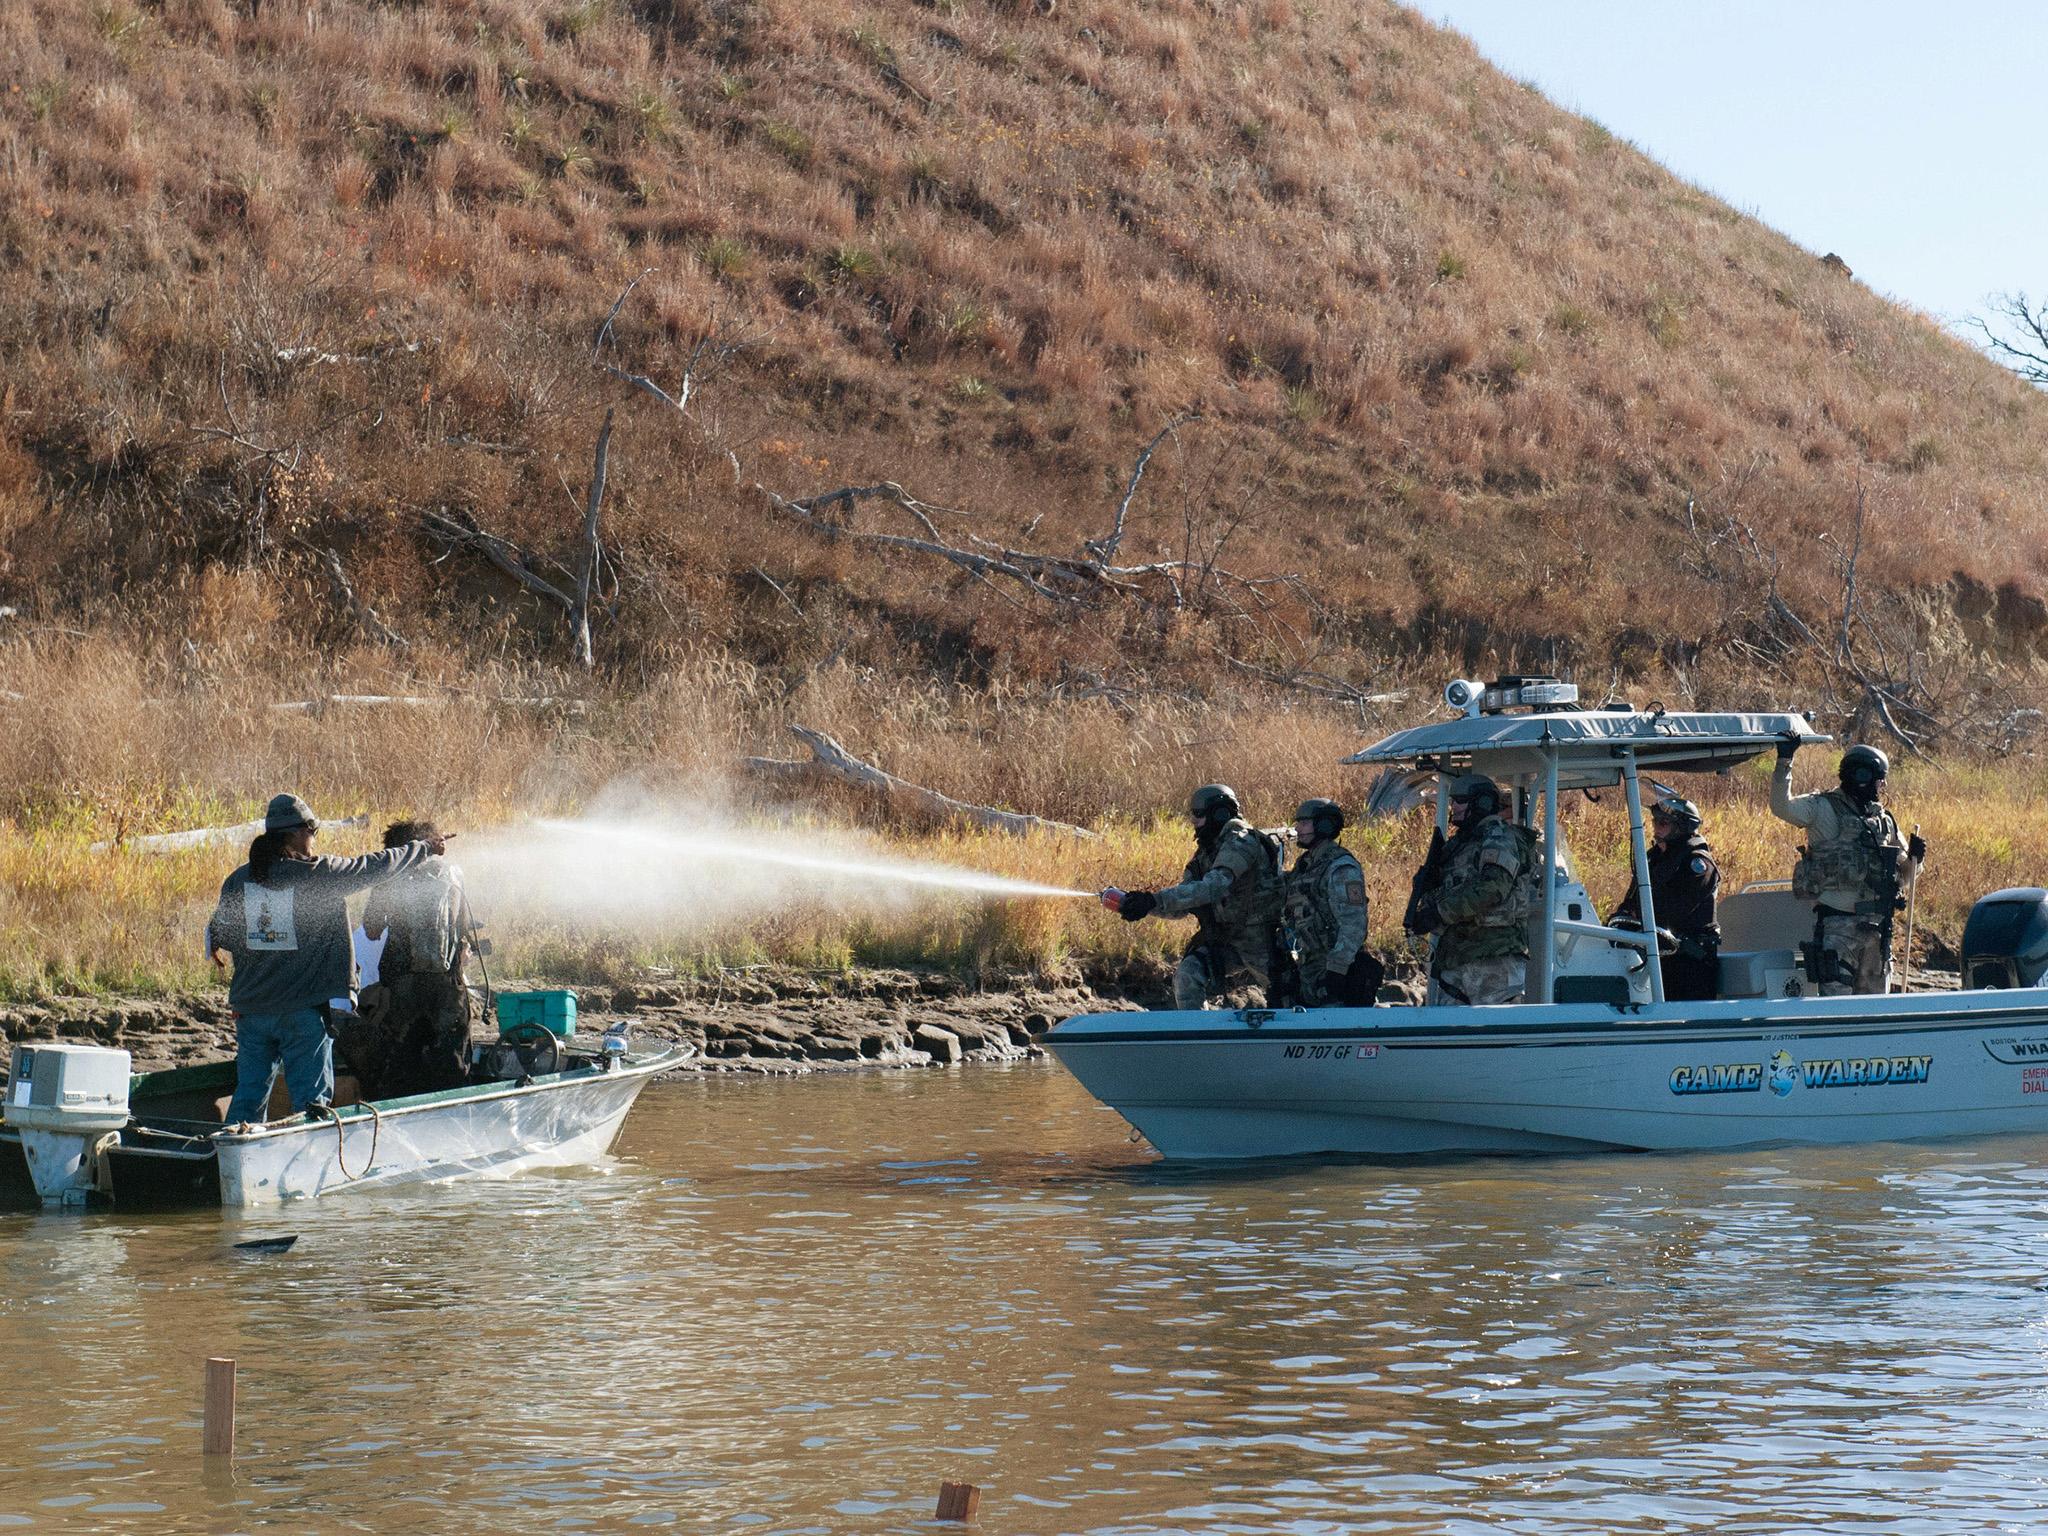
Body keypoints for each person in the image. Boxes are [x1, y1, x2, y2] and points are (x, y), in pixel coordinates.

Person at [207, 794, 449, 1123]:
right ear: (297, 833)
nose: (314, 840)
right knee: (311, 1106)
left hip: (251, 1013)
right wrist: (423, 848)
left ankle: (237, 1155)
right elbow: (379, 865)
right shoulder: (320, 875)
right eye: (313, 831)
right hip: (302, 1014)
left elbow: (221, 935)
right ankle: (307, 1164)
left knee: (248, 1096)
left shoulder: (239, 879)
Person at [1101, 783, 1286, 1009]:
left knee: (1286, 994)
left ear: (1219, 813)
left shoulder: (1241, 841)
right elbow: (1184, 904)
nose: (1193, 821)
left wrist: (1154, 899)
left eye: (1198, 814)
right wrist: (1141, 905)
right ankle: (1201, 1037)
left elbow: (1212, 887)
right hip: (1226, 940)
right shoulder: (1206, 853)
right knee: (1188, 974)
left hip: (1261, 939)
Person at [1771, 741, 1925, 995]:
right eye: (1879, 779)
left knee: (1875, 1012)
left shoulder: (1884, 821)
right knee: (1835, 1005)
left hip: (1878, 930)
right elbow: (1782, 806)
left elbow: (1906, 875)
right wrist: (1784, 761)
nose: (1882, 786)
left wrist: (1916, 859)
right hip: (1838, 929)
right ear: (1864, 776)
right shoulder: (1821, 808)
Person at [347, 819, 477, 1099]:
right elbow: (463, 928)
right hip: (448, 987)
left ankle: (397, 1118)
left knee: (400, 1060)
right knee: (452, 1059)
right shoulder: (454, 874)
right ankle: (454, 1114)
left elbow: (371, 930)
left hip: (402, 987)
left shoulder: (390, 876)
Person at [1406, 773, 1539, 1005]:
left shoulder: (1499, 837)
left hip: (1493, 958)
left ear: (1482, 802)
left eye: (1460, 800)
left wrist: (1439, 912)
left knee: (1496, 1033)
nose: (1454, 806)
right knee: (1449, 1034)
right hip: (1458, 956)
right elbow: (1454, 889)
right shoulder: (1459, 845)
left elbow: (1492, 888)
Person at [1611, 795, 1721, 1002]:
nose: (1656, 827)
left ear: (1681, 827)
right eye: (1655, 821)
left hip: (1690, 964)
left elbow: (1675, 911)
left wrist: (1640, 917)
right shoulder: (1654, 859)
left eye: (1663, 823)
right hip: (1657, 955)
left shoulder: (1697, 864)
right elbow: (1631, 900)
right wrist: (1621, 919)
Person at [1282, 798, 1382, 1007]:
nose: (1298, 828)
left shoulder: (1341, 868)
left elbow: (1353, 925)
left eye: (1304, 823)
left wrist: (1336, 970)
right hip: (1309, 966)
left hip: (1334, 971)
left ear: (1324, 826)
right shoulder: (1306, 865)